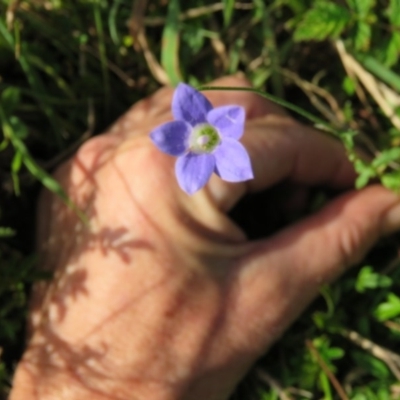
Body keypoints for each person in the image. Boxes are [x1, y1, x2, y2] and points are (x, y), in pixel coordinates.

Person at [9, 75, 400, 400]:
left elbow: (219, 134)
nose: (205, 141)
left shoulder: (223, 134)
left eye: (209, 136)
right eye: (202, 138)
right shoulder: (189, 154)